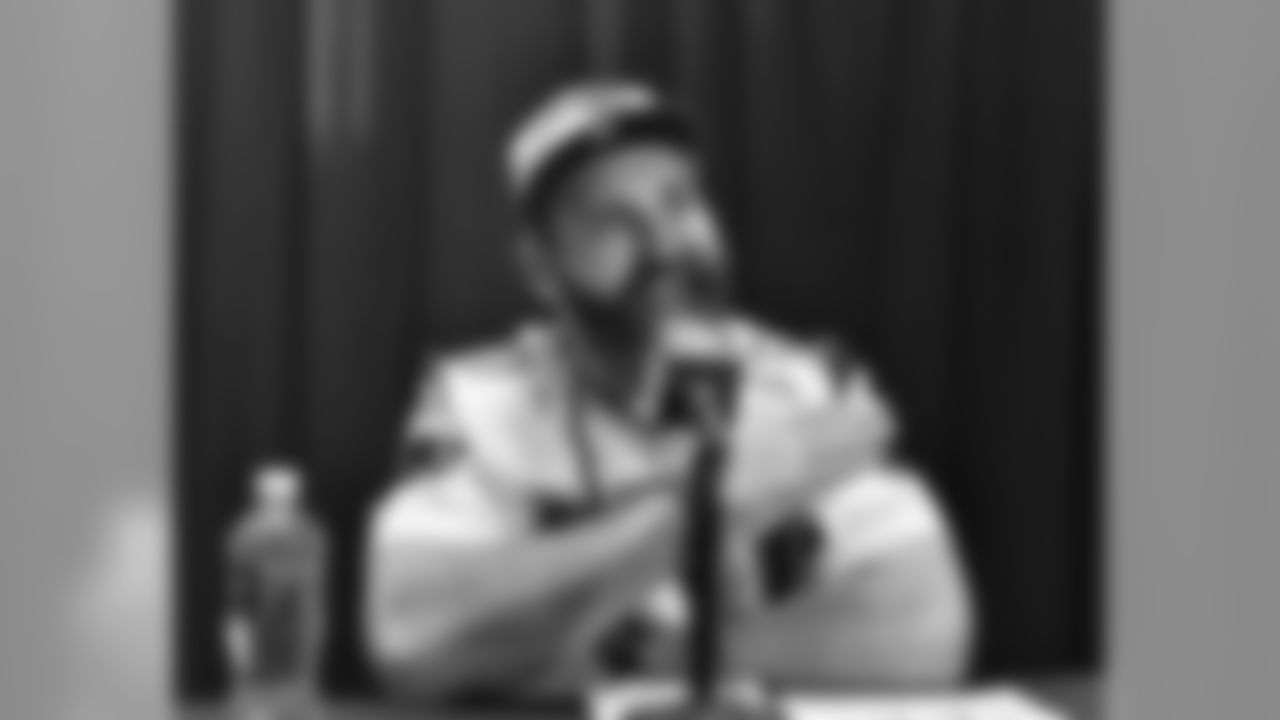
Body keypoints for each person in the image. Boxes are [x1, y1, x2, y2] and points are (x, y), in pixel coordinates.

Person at [363, 81, 974, 701]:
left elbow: (927, 629)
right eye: (613, 220)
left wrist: (657, 657)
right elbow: (411, 639)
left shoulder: (807, 380)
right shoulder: (476, 400)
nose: (663, 246)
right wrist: (704, 508)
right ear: (540, 270)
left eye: (678, 201)